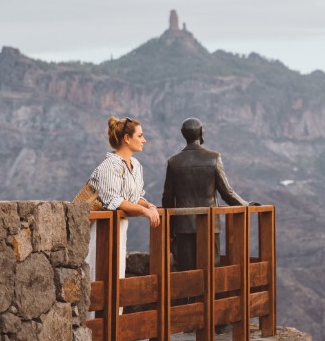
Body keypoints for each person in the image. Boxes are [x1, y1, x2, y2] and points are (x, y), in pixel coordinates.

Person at [161, 117, 249, 271]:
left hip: (183, 226)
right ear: (201, 132)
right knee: (211, 270)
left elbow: (167, 198)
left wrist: (170, 227)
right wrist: (246, 205)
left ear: (183, 134)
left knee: (186, 272)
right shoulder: (213, 158)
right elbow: (227, 193)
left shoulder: (173, 162)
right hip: (210, 224)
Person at [86, 116, 160, 283]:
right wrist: (144, 211)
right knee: (98, 274)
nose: (144, 140)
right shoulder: (109, 166)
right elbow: (114, 201)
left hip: (120, 228)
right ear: (127, 138)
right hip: (101, 230)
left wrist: (150, 206)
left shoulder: (136, 165)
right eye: (140, 136)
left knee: (117, 275)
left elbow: (135, 197)